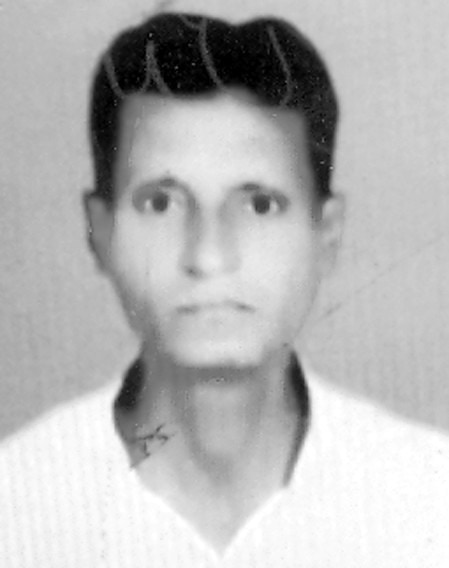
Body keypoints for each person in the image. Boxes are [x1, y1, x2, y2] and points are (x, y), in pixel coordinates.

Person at [1, 11, 448, 567]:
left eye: (260, 204)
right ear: (100, 231)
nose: (209, 256)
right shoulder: (18, 508)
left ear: (326, 234)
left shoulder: (427, 504)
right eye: (160, 203)